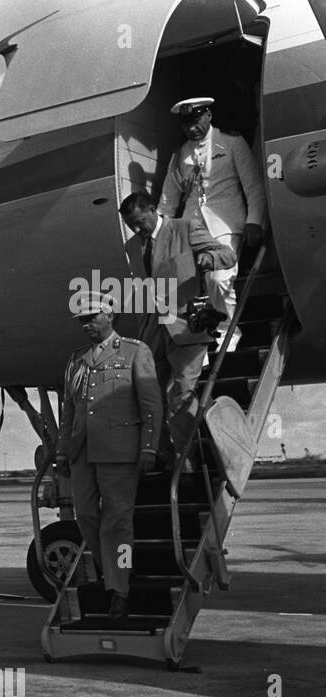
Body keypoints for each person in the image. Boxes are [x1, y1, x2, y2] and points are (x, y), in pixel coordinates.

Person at [53, 294, 162, 620]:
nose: (86, 324)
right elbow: (69, 410)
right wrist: (61, 451)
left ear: (109, 314)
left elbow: (151, 404)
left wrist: (149, 446)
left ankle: (119, 588)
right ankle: (116, 570)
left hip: (119, 451)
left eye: (91, 317)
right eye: (81, 320)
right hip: (82, 452)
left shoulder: (134, 351)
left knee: (117, 520)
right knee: (86, 515)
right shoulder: (77, 359)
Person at [119, 191, 237, 462]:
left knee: (180, 395)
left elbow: (227, 255)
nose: (137, 230)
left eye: (139, 222)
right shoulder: (133, 246)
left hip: (187, 325)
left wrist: (209, 259)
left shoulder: (185, 228)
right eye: (131, 225)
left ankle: (190, 459)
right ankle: (161, 454)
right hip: (153, 328)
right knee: (148, 395)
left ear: (152, 210)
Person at [157, 96, 266, 348]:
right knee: (188, 286)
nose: (191, 128)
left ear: (208, 116)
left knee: (218, 279)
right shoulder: (180, 155)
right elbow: (168, 200)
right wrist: (161, 236)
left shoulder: (231, 143)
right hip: (191, 228)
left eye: (195, 121)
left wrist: (255, 221)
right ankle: (202, 340)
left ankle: (229, 334)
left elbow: (254, 186)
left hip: (225, 225)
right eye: (186, 124)